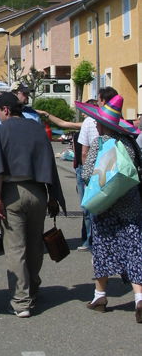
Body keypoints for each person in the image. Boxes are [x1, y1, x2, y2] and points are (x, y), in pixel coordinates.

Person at [0, 92, 65, 318]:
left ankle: (21, 301)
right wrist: (52, 196)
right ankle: (34, 288)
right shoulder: (37, 129)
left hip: (11, 192)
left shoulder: (1, 131)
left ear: (6, 110)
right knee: (35, 244)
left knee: (16, 248)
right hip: (38, 191)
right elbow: (49, 162)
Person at [78, 95, 142, 323]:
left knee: (103, 249)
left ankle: (100, 296)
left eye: (97, 121)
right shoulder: (130, 142)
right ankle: (139, 298)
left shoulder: (100, 143)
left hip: (105, 204)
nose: (95, 124)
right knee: (135, 249)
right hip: (130, 205)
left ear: (104, 124)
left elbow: (87, 175)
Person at [77, 87, 117, 251]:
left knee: (92, 209)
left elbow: (84, 154)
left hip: (97, 176)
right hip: (117, 177)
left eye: (99, 100)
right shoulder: (122, 128)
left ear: (103, 102)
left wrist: (88, 179)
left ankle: (91, 241)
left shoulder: (89, 123)